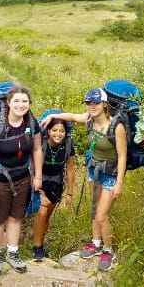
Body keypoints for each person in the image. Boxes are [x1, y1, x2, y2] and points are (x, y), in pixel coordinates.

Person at [41, 88, 127, 271]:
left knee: (102, 215)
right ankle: (96, 244)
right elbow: (71, 116)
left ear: (104, 104)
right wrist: (52, 117)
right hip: (94, 171)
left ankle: (108, 250)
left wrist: (119, 182)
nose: (92, 106)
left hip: (111, 175)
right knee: (95, 210)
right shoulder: (89, 119)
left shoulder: (116, 126)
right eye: (88, 103)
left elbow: (122, 156)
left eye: (95, 103)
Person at [0, 86, 43, 276]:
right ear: (8, 103)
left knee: (16, 217)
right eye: (16, 101)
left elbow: (37, 149)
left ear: (29, 104)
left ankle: (12, 253)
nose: (21, 105)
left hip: (23, 177)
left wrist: (37, 176)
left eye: (25, 101)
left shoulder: (31, 122)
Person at [32, 118, 75, 261]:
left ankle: (41, 245)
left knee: (47, 216)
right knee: (42, 212)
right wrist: (40, 193)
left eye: (62, 131)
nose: (58, 134)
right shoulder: (41, 145)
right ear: (48, 131)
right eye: (55, 130)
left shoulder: (68, 145)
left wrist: (70, 193)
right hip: (39, 182)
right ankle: (36, 248)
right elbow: (31, 170)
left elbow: (70, 169)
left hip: (56, 184)